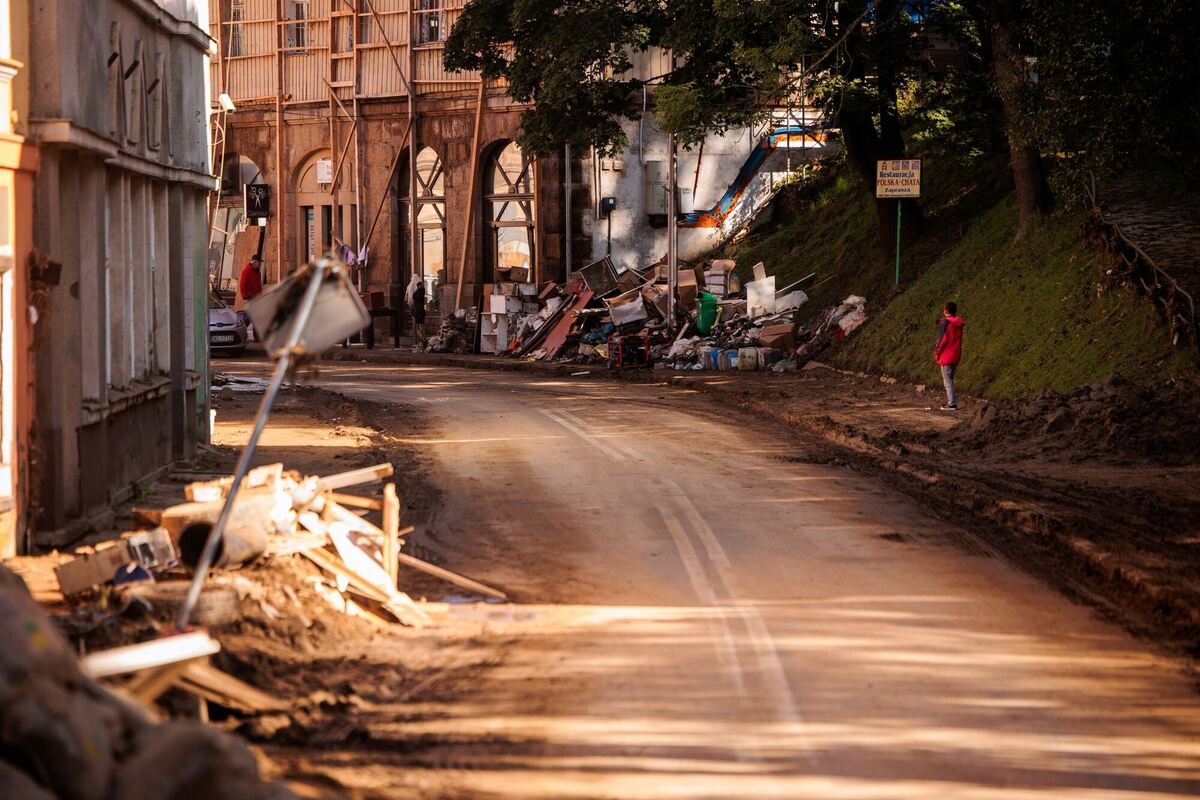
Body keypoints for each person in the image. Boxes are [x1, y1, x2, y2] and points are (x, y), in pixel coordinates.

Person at [933, 301, 965, 411]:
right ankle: (952, 402)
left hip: (946, 356)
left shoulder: (945, 323)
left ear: (945, 311)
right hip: (955, 355)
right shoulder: (958, 323)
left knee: (947, 381)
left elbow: (942, 340)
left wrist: (937, 353)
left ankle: (952, 404)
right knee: (950, 379)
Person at [237, 255, 265, 340]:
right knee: (250, 318)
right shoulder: (247, 271)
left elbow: (258, 285)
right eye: (259, 262)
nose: (260, 264)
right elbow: (242, 285)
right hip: (250, 298)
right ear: (254, 262)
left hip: (257, 298)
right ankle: (240, 334)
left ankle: (257, 338)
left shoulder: (257, 272)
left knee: (255, 318)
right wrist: (245, 298)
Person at [406, 274, 428, 346]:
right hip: (419, 310)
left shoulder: (415, 291)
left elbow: (410, 299)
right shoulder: (421, 290)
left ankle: (422, 341)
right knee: (420, 327)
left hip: (417, 309)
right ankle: (424, 341)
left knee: (419, 327)